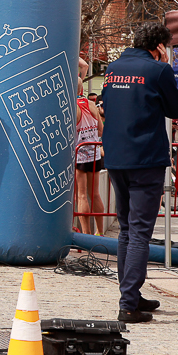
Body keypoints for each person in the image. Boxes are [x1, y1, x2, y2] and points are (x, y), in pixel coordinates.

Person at [99, 22, 178, 323]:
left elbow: (108, 106)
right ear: (160, 46)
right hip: (146, 159)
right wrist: (165, 67)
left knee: (126, 229)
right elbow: (177, 109)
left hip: (116, 157)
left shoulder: (113, 68)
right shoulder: (158, 70)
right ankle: (128, 304)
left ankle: (132, 295)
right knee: (139, 232)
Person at [74, 78, 105, 236]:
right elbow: (100, 131)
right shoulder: (92, 105)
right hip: (94, 154)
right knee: (95, 194)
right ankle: (100, 231)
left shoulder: (72, 107)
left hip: (79, 154)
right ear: (82, 89)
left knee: (81, 195)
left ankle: (86, 233)